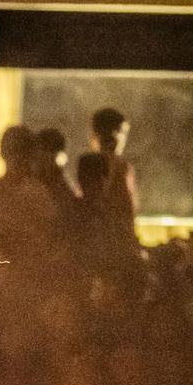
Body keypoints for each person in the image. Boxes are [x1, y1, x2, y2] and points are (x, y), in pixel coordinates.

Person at [0, 126, 60, 267]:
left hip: (7, 262)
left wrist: (0, 239)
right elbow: (51, 227)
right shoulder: (38, 191)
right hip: (25, 263)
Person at [75, 107, 139, 266]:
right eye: (123, 134)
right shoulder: (121, 168)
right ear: (115, 135)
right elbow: (125, 209)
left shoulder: (89, 164)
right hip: (114, 248)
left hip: (95, 246)